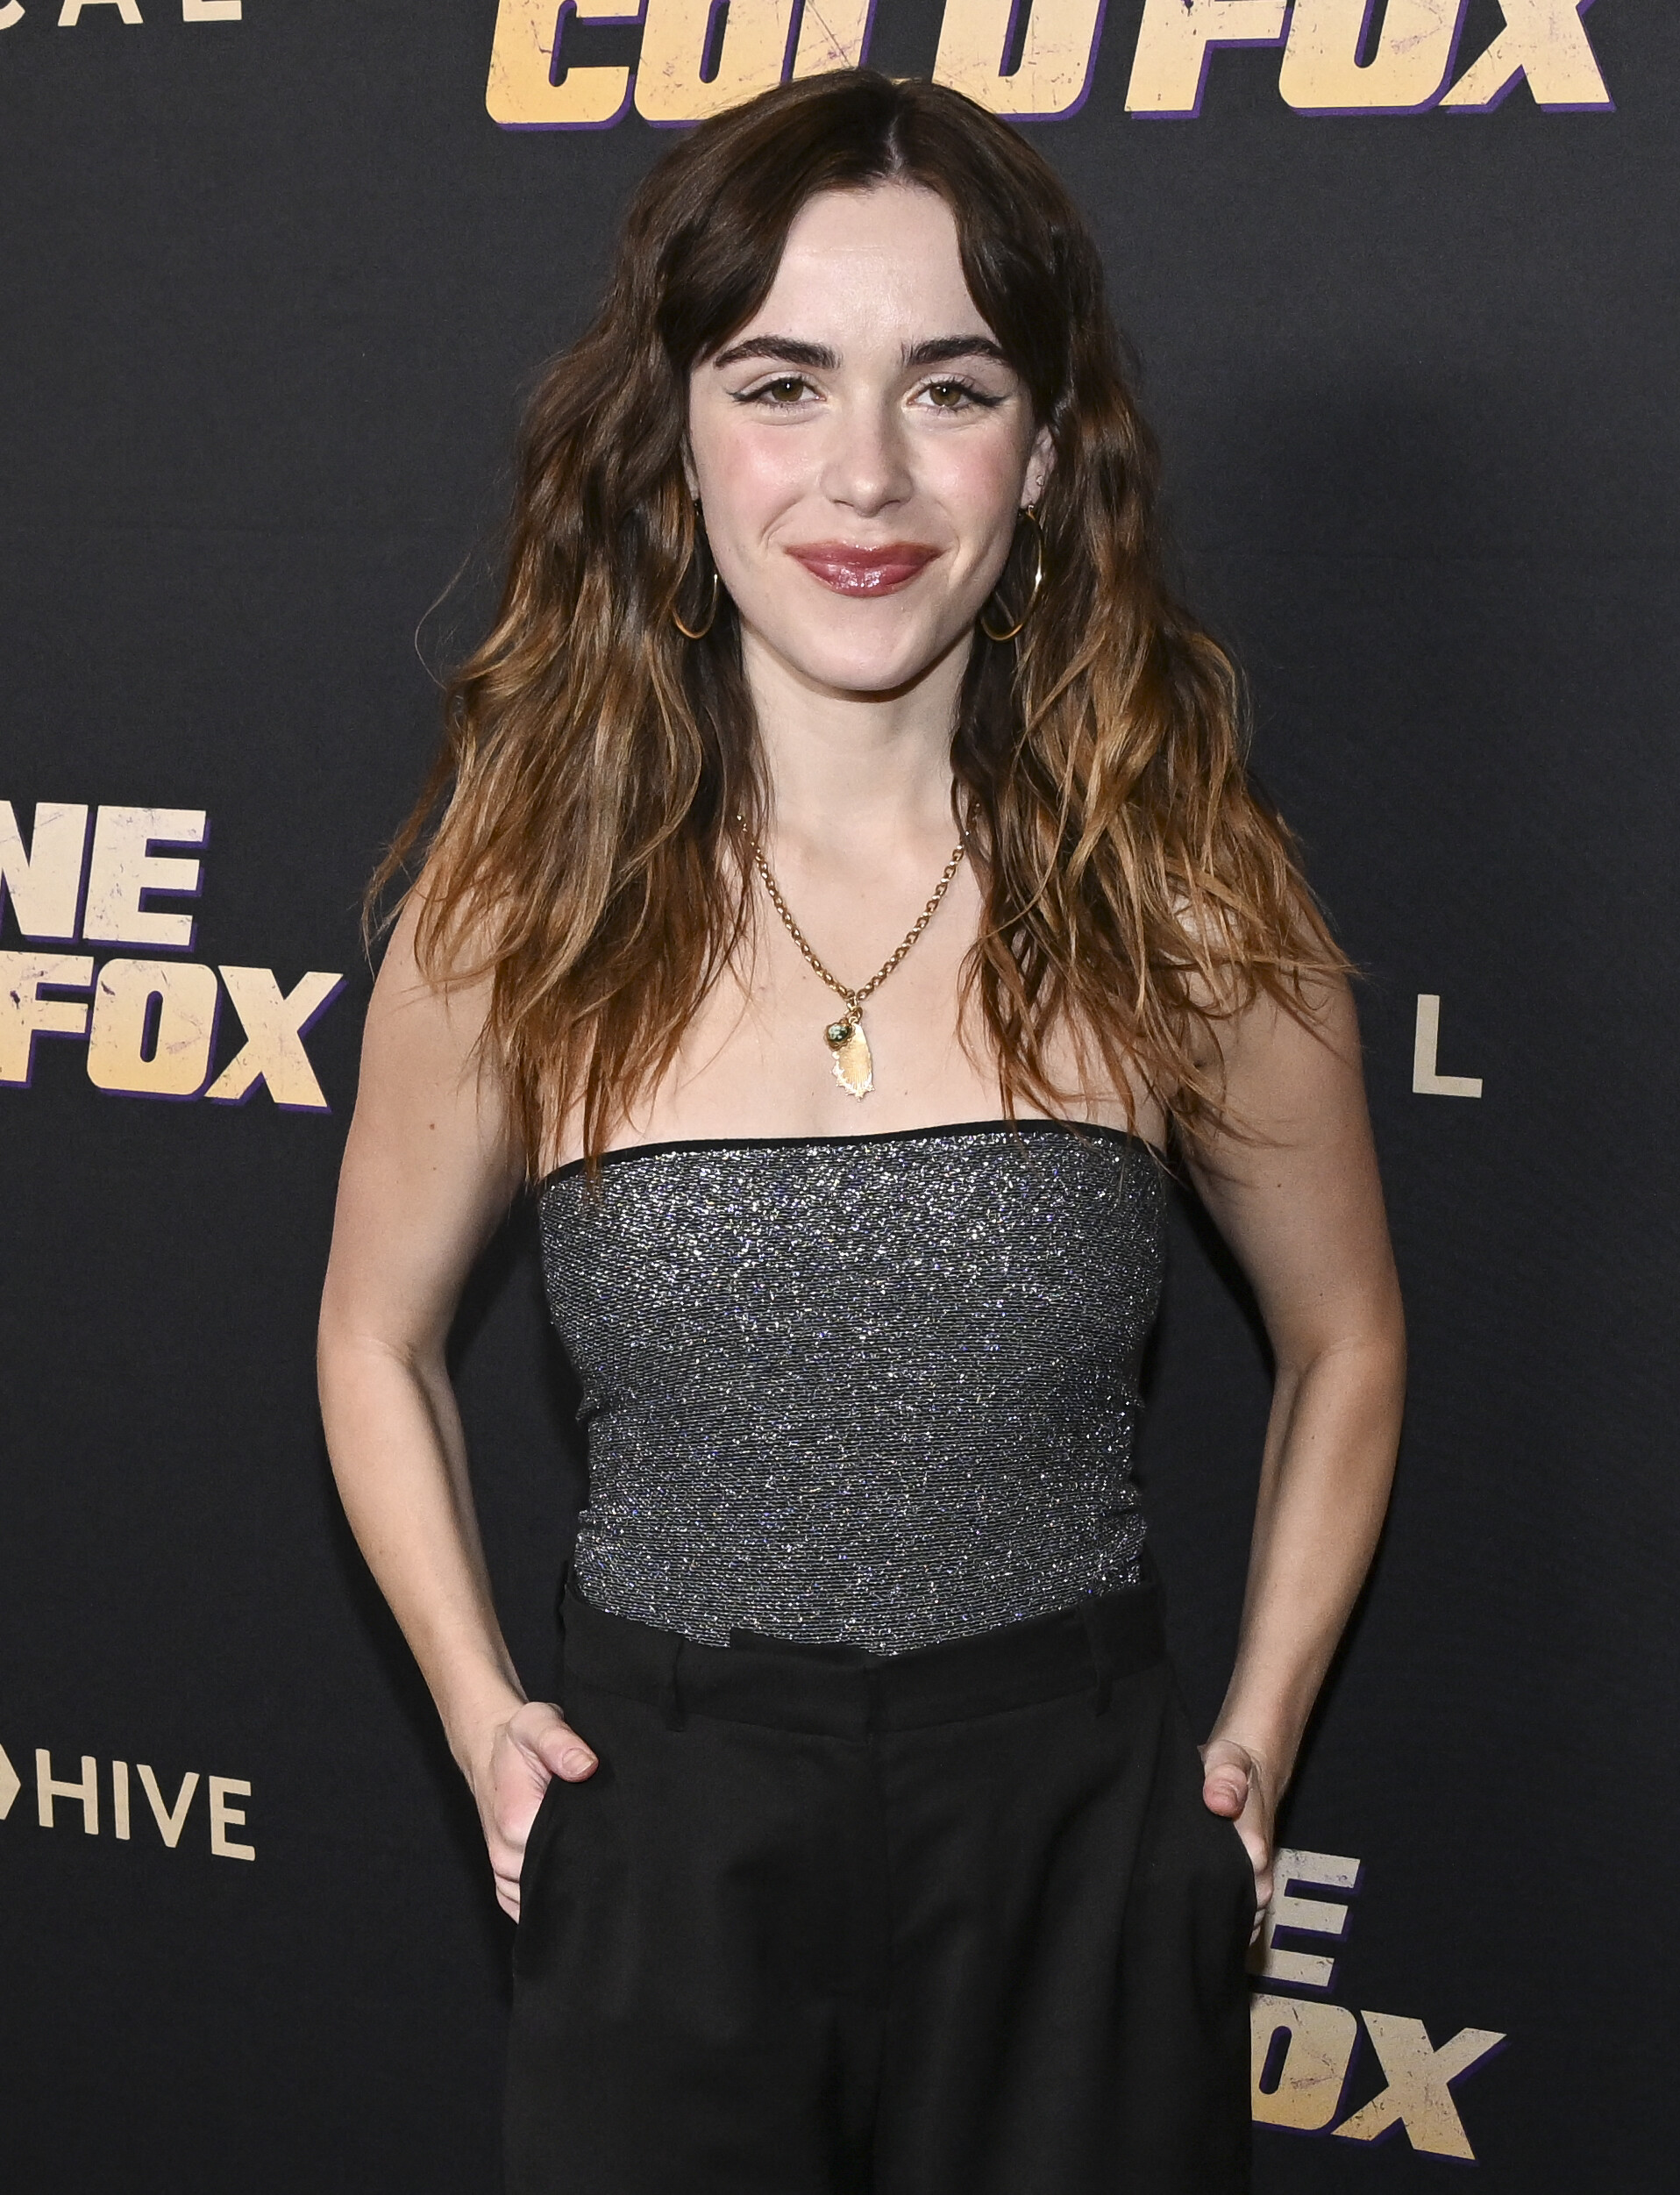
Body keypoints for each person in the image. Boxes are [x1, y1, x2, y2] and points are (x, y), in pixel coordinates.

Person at [317, 68, 1404, 2195]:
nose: (869, 475)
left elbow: (1347, 1334)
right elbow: (369, 1334)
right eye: (784, 382)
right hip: (666, 1833)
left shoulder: (1180, 889)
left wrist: (1258, 1736)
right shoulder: (523, 899)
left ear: (1048, 450)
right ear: (677, 435)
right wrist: (475, 1707)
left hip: (1076, 1844)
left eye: (953, 387)